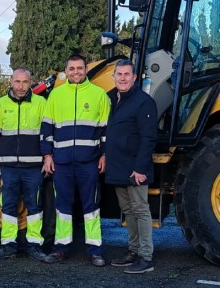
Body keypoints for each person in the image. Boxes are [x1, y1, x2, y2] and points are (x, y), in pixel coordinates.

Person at [40, 55, 110, 266]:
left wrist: (105, 154)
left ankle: (95, 250)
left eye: (80, 68)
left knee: (91, 207)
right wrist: (47, 156)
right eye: (72, 68)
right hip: (61, 163)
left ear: (86, 69)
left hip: (89, 162)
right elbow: (46, 129)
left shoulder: (99, 95)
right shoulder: (55, 95)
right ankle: (60, 248)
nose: (76, 72)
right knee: (62, 206)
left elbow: (106, 130)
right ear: (66, 70)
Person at [0, 67, 47, 261]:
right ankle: (8, 246)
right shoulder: (2, 104)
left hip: (33, 167)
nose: (21, 86)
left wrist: (47, 157)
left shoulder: (41, 103)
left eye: (25, 82)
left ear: (31, 83)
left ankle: (34, 246)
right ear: (11, 82)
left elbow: (46, 133)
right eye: (17, 82)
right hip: (9, 167)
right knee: (8, 207)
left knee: (34, 207)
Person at [106, 59, 158, 273]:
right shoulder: (111, 99)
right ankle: (133, 251)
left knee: (140, 209)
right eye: (119, 74)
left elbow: (148, 138)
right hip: (118, 166)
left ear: (134, 77)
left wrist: (140, 168)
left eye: (127, 74)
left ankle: (145, 257)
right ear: (114, 77)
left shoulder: (143, 102)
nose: (123, 78)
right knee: (128, 210)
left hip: (135, 168)